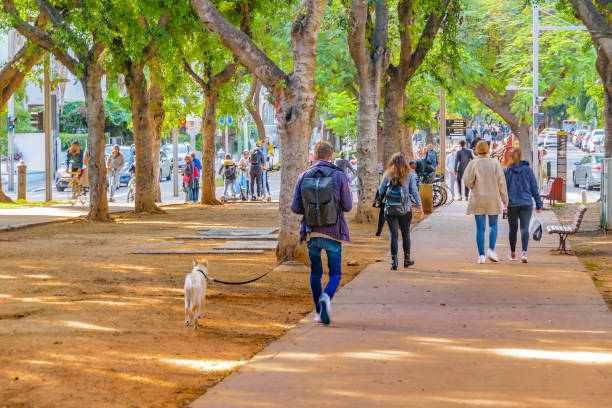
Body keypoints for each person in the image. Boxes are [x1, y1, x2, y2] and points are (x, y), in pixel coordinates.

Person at [291, 141, 352, 325]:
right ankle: (326, 297)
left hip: (312, 233)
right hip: (333, 232)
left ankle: (319, 311)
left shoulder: (304, 176)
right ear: (331, 156)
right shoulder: (339, 175)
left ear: (314, 156)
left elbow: (295, 207)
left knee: (316, 273)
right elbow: (348, 206)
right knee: (335, 273)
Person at [463, 140, 508, 264]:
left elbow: (466, 180)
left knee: (480, 228)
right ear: (488, 150)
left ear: (476, 150)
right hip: (493, 198)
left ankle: (481, 256)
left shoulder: (473, 163)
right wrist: (505, 199)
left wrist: (473, 186)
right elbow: (501, 182)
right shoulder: (495, 163)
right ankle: (491, 250)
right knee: (493, 225)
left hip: (478, 198)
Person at [378, 153, 424, 270]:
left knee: (394, 235)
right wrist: (420, 207)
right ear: (404, 163)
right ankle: (407, 260)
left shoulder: (388, 174)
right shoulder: (409, 174)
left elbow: (381, 190)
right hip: (405, 209)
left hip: (390, 209)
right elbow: (414, 191)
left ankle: (394, 263)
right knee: (405, 234)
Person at [504, 148, 543, 262]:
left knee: (513, 229)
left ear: (510, 157)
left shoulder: (506, 171)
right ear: (521, 157)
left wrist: (503, 203)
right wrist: (539, 205)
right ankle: (524, 253)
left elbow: (503, 189)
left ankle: (512, 253)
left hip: (512, 204)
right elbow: (534, 188)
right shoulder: (528, 170)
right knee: (524, 228)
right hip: (526, 203)